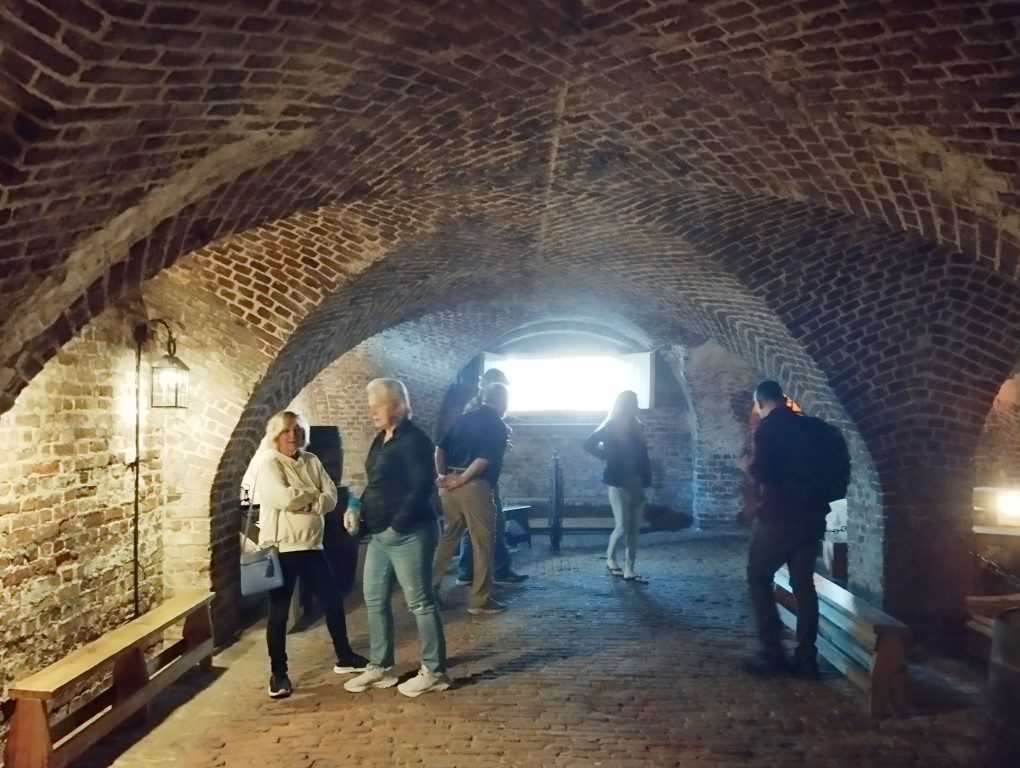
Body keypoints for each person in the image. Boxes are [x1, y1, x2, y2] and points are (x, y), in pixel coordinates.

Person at [343, 378, 451, 697]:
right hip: (380, 534)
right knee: (374, 599)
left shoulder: (414, 440)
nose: (371, 411)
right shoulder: (382, 439)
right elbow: (376, 483)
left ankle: (435, 671)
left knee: (419, 602)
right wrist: (356, 506)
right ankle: (382, 667)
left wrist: (397, 525)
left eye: (378, 405)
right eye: (371, 405)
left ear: (397, 405)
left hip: (410, 533)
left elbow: (422, 488)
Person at [254, 410, 367, 699]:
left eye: (298, 430)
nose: (294, 435)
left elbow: (330, 496)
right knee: (279, 613)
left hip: (312, 545)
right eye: (287, 430)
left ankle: (344, 656)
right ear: (276, 435)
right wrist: (312, 496)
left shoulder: (311, 460)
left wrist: (310, 499)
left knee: (332, 600)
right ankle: (278, 675)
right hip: (282, 548)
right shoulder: (269, 463)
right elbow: (281, 497)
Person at [739, 380, 827, 678]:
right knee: (804, 585)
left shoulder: (769, 429)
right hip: (812, 516)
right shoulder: (813, 427)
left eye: (756, 406)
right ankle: (806, 657)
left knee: (758, 575)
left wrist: (747, 467)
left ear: (762, 402)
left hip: (780, 515)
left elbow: (765, 472)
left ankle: (772, 653)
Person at [433, 382, 511, 614]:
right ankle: (480, 600)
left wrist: (442, 474)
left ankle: (429, 589)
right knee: (482, 542)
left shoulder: (464, 418)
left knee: (448, 538)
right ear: (502, 401)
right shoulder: (497, 425)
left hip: (449, 487)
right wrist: (463, 478)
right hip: (474, 487)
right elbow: (485, 458)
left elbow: (439, 448)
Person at [454, 368, 527, 587]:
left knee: (473, 525)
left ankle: (467, 571)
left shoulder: (471, 410)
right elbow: (483, 452)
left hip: (471, 476)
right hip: (479, 477)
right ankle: (499, 570)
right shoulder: (485, 414)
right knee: (494, 522)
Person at [582, 390, 652, 583]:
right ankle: (611, 557)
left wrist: (647, 479)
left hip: (636, 483)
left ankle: (630, 569)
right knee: (622, 526)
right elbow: (587, 444)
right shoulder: (610, 427)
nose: (636, 406)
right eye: (634, 402)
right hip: (618, 482)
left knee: (634, 529)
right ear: (625, 405)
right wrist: (607, 457)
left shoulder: (638, 427)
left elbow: (644, 457)